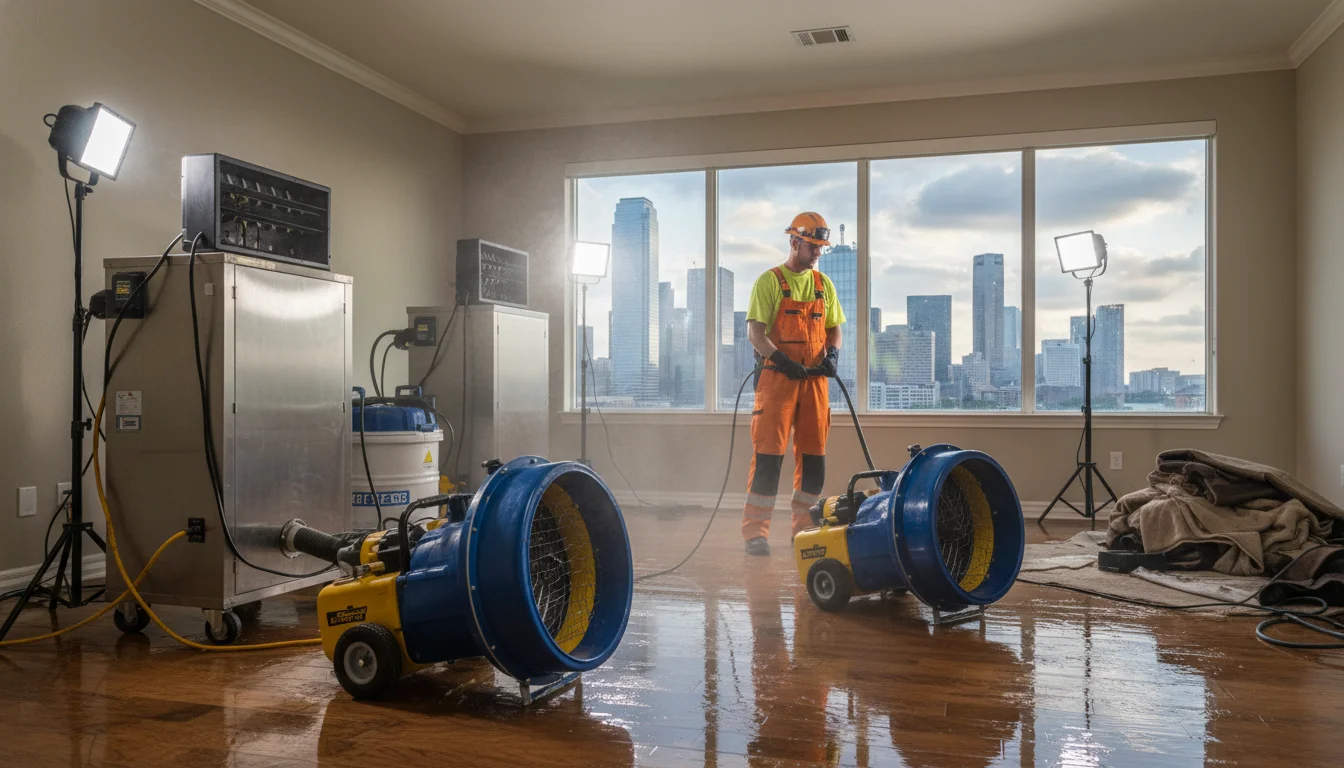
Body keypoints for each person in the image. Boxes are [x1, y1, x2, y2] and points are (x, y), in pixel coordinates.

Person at [740, 212, 844, 556]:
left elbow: (834, 328)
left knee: (814, 460)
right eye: (812, 246)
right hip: (778, 381)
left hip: (814, 384)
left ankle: (804, 532)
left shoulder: (823, 285)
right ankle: (755, 533)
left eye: (820, 248)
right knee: (768, 458)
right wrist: (781, 361)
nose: (817, 253)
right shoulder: (769, 281)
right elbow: (755, 333)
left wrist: (833, 356)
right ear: (794, 242)